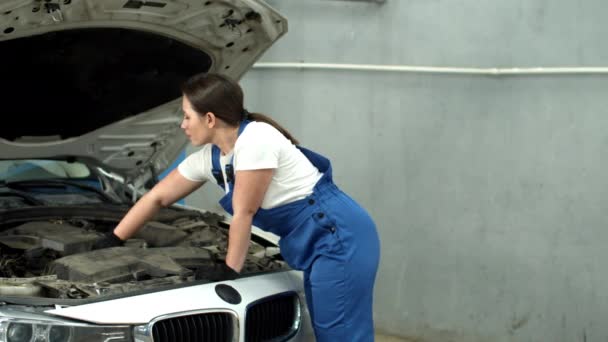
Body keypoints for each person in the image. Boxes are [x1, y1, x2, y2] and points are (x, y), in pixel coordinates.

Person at [94, 72, 381, 341]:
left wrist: (230, 268)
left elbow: (245, 211)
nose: (182, 125)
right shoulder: (211, 158)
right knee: (327, 328)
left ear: (208, 119)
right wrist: (114, 238)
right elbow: (156, 197)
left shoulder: (256, 139)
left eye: (186, 116)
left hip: (337, 234)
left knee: (340, 332)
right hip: (315, 239)